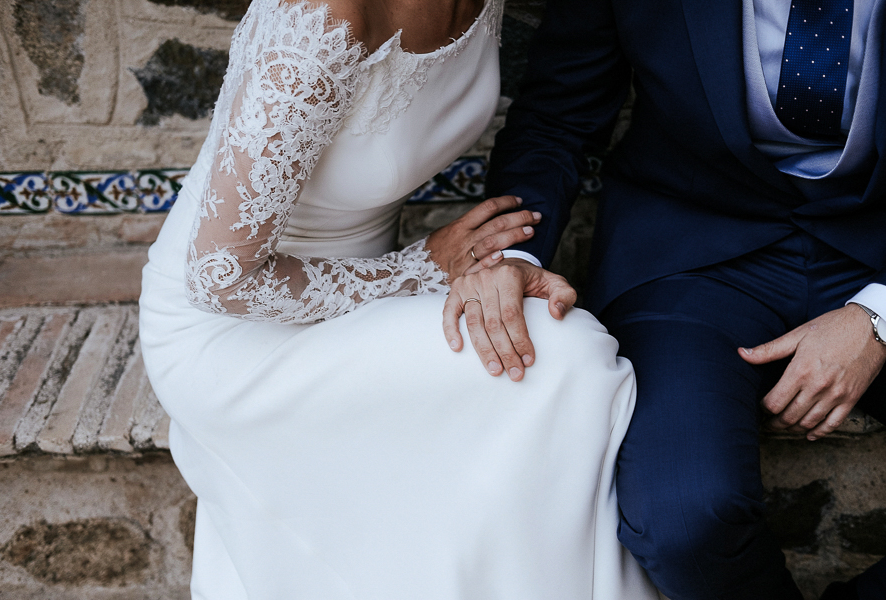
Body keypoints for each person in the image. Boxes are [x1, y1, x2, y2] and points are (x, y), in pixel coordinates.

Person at [139, 0, 661, 597]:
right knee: (567, 355)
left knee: (546, 363)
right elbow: (221, 276)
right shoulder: (325, 18)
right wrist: (421, 269)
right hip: (233, 330)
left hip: (358, 301)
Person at [454, 0, 886, 598]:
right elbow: (558, 118)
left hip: (879, 248)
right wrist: (515, 255)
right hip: (695, 251)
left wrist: (879, 313)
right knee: (682, 515)